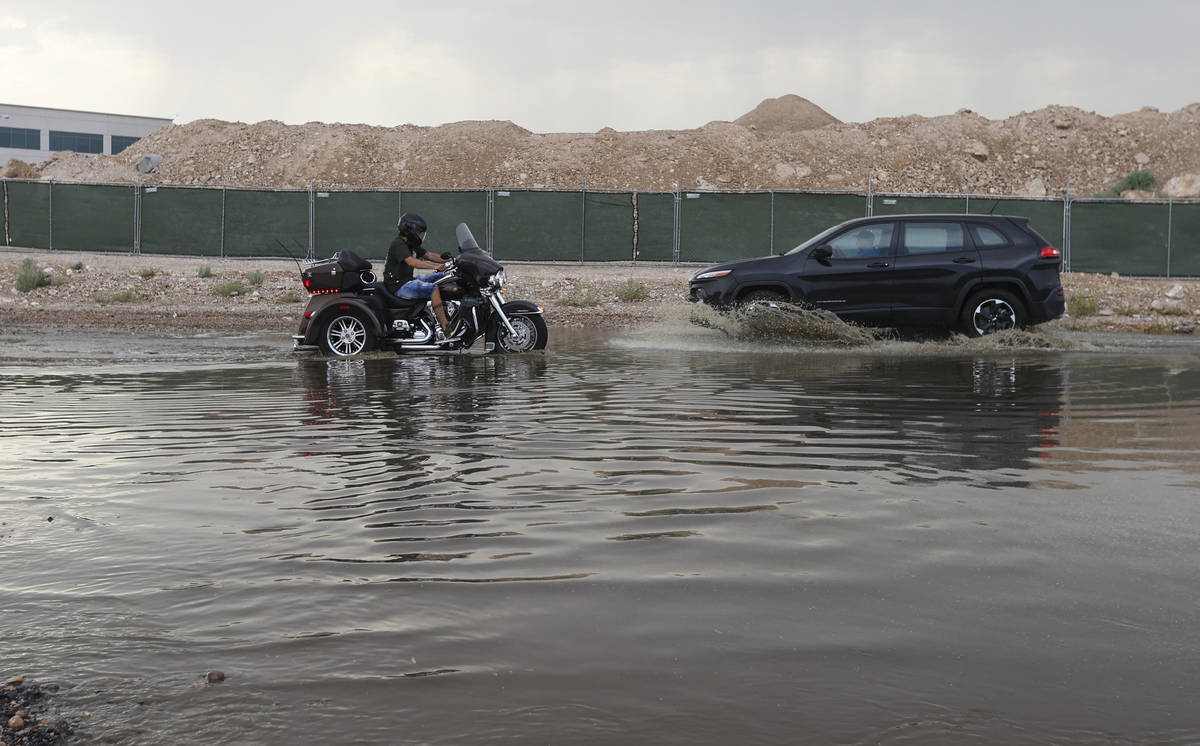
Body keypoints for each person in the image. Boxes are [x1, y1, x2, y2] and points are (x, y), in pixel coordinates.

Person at [383, 213, 457, 341]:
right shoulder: (398, 244)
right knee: (433, 289)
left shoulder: (411, 244)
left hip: (407, 280)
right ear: (410, 230)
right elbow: (411, 261)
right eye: (418, 232)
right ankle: (446, 328)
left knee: (443, 276)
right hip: (399, 286)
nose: (419, 235)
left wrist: (453, 260)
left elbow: (429, 255)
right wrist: (433, 267)